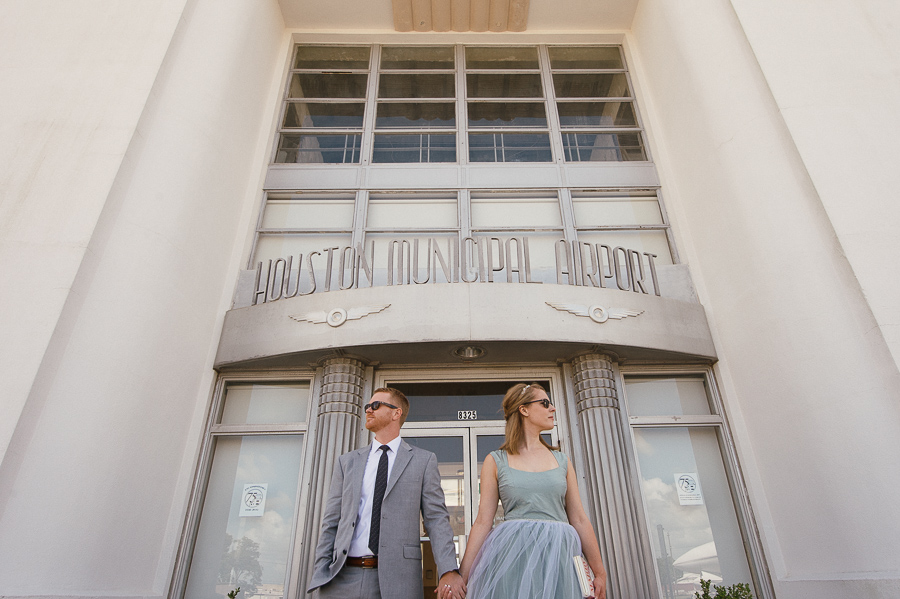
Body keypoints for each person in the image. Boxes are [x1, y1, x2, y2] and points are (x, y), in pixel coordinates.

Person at [308, 387, 467, 599]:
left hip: (398, 579)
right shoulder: (348, 462)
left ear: (396, 413)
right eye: (367, 406)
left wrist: (448, 569)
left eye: (375, 405)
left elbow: (436, 519)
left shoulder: (423, 460)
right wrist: (322, 568)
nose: (368, 410)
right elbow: (331, 521)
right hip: (341, 577)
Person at [458, 383, 607, 599]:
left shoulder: (562, 461)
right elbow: (483, 521)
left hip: (560, 556)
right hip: (513, 556)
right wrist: (462, 576)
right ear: (523, 409)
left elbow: (580, 519)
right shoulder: (496, 460)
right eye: (545, 403)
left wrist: (600, 572)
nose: (553, 409)